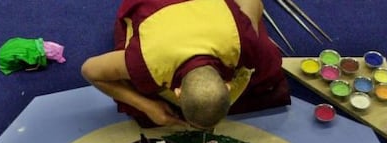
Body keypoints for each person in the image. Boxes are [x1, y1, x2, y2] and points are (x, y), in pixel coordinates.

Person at [81, 0, 291, 129]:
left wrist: (252, 32)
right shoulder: (146, 62)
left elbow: (255, 3)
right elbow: (89, 70)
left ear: (178, 92)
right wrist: (147, 106)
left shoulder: (243, 41)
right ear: (228, 86)